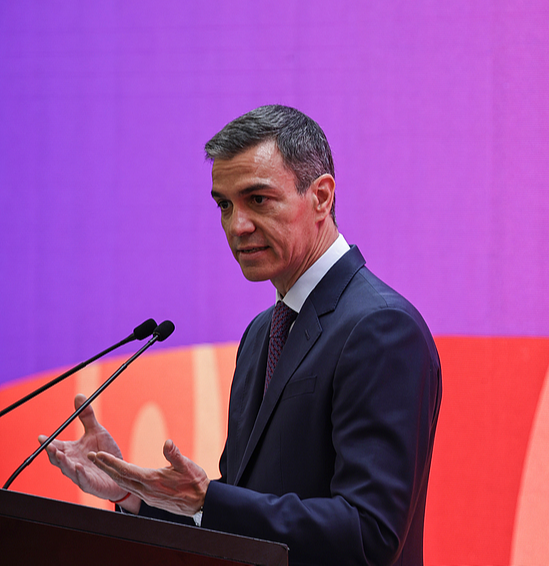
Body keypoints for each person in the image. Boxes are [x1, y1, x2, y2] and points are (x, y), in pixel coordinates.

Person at [40, 105, 442, 566]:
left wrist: (208, 499)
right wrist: (134, 495)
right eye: (224, 205)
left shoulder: (381, 327)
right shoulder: (260, 336)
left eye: (258, 200)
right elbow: (237, 520)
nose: (237, 226)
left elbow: (368, 533)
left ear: (322, 196)